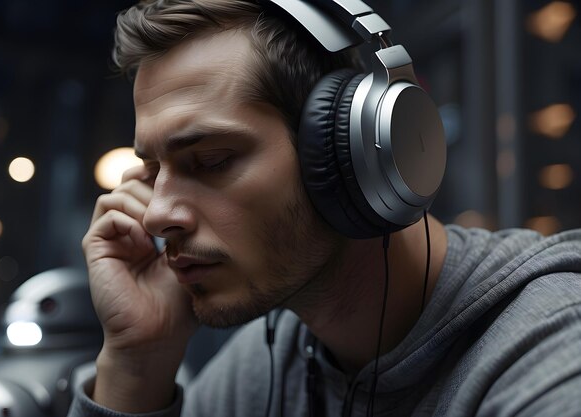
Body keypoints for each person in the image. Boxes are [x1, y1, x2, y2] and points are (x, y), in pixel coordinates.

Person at [68, 0, 581, 416]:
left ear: (350, 153)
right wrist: (138, 363)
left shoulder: (551, 355)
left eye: (212, 160)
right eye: (154, 172)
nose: (156, 216)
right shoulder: (264, 368)